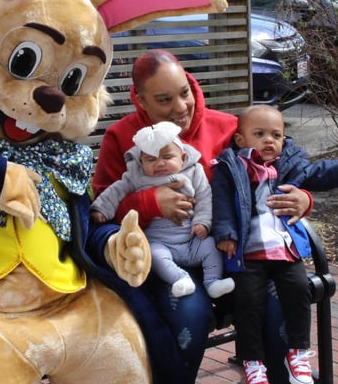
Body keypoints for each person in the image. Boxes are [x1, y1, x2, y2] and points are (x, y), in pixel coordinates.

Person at [89, 50, 313, 384]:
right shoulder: (121, 138)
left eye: (185, 92)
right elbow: (100, 214)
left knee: (279, 305)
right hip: (165, 260)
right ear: (139, 100)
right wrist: (148, 202)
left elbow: (287, 164)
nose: (180, 107)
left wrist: (304, 199)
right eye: (164, 99)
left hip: (235, 257)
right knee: (189, 315)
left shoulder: (230, 128)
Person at [211, 104, 338, 384]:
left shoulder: (289, 165)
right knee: (248, 302)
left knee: (299, 290)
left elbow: (323, 172)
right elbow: (222, 202)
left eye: (276, 135)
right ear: (241, 140)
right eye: (259, 134)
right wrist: (226, 233)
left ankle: (298, 352)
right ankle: (253, 363)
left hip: (284, 250)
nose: (269, 140)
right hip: (248, 253)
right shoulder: (230, 167)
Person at [90, 121, 235, 299]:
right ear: (141, 161)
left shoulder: (194, 171)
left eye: (167, 157)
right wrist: (102, 209)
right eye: (151, 159)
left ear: (182, 157)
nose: (159, 164)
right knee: (153, 255)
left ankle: (212, 281)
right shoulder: (136, 176)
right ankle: (180, 279)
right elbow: (115, 191)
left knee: (210, 245)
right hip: (159, 242)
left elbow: (205, 196)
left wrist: (202, 222)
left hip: (191, 238)